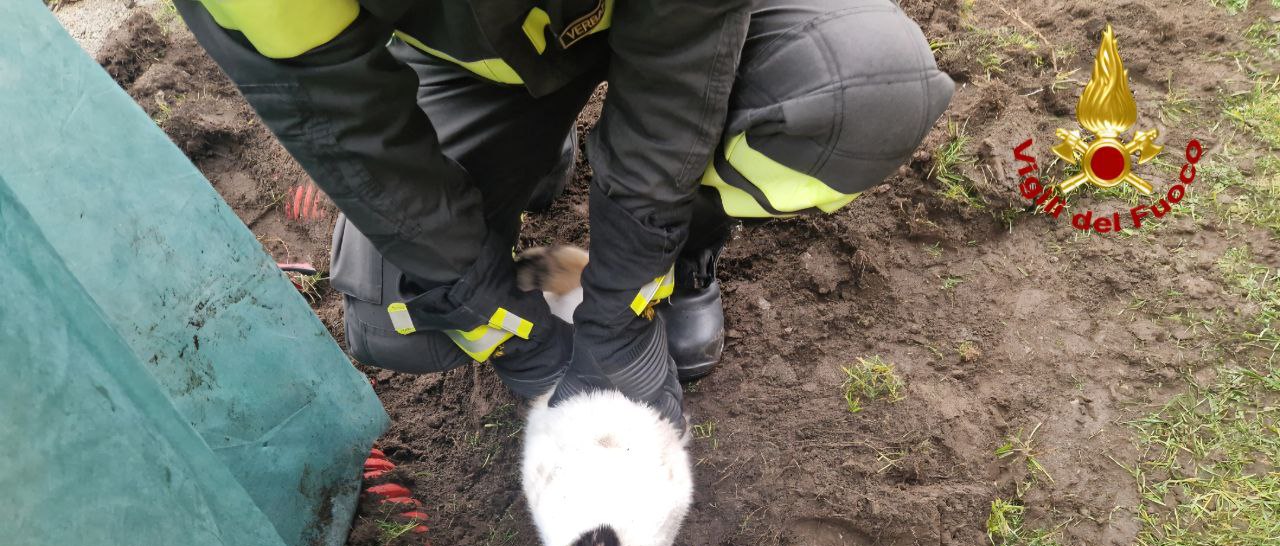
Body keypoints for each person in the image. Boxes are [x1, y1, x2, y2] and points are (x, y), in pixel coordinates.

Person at [175, 0, 953, 425]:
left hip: (700, 24)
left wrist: (623, 302)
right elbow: (344, 126)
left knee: (863, 90)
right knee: (397, 311)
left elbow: (680, 70)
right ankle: (536, 147)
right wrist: (497, 312)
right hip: (476, 66)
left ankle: (690, 253)